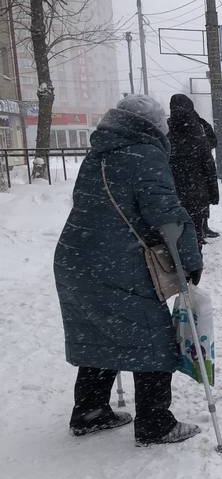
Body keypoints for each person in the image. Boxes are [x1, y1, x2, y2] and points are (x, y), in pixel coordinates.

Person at [54, 94, 203, 446]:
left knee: (101, 332)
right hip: (118, 265)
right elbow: (168, 217)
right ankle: (155, 423)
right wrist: (190, 261)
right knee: (153, 339)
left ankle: (90, 410)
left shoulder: (99, 153)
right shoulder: (145, 154)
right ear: (152, 125)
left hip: (77, 258)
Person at [168, 94, 219, 245]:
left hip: (173, 185)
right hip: (196, 183)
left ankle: (181, 241)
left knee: (178, 219)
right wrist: (213, 192)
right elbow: (208, 164)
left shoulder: (166, 129)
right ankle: (197, 237)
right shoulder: (198, 128)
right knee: (196, 214)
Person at [198, 116, 221, 239]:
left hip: (181, 171)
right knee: (202, 200)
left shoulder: (171, 124)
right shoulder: (201, 124)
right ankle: (202, 228)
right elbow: (213, 141)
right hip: (199, 170)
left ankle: (201, 229)